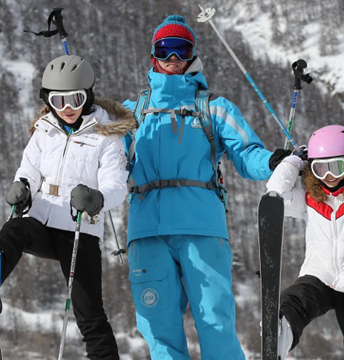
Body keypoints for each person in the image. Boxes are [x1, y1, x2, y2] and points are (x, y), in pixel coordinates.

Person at [122, 14, 288, 360]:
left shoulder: (214, 109)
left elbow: (246, 153)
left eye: (180, 50)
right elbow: (104, 161)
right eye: (164, 51)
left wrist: (271, 161)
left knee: (215, 322)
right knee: (158, 328)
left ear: (192, 55)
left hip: (201, 229)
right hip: (147, 231)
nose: (172, 59)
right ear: (153, 56)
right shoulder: (130, 114)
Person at [0, 54, 132, 360]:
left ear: (88, 95)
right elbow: (28, 167)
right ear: (48, 100)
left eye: (75, 99)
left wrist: (96, 198)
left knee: (90, 316)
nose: (67, 108)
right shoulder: (44, 129)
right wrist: (23, 186)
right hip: (41, 218)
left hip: (78, 229)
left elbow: (116, 184)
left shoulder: (106, 135)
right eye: (58, 100)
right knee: (15, 230)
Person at [264, 125, 344, 359]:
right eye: (320, 169)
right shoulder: (310, 197)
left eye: (337, 166)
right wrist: (292, 162)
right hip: (320, 274)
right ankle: (279, 332)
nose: (329, 176)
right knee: (294, 301)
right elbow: (275, 197)